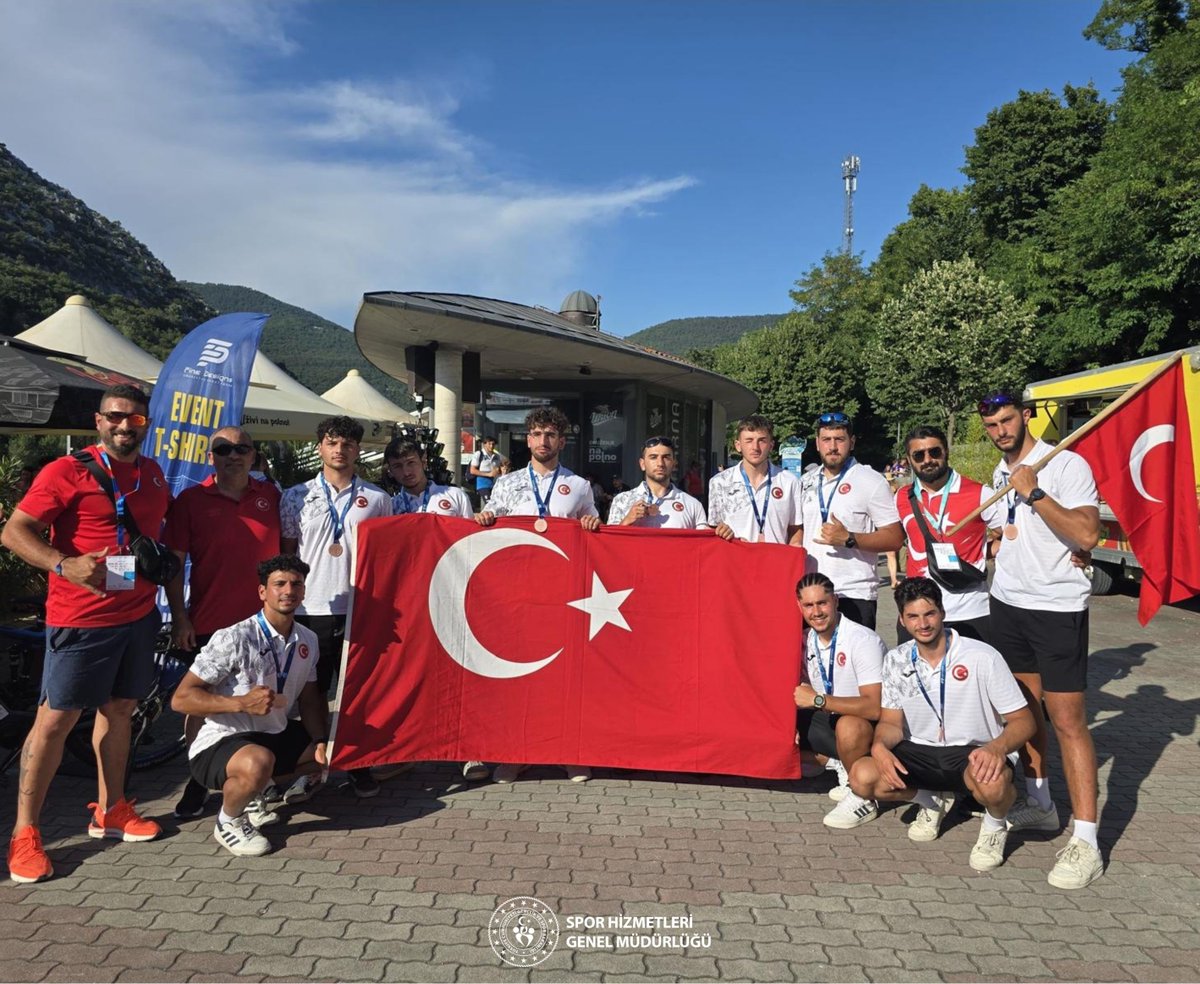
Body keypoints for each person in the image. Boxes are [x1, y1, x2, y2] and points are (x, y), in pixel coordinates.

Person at [2, 384, 170, 883]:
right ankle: (25, 832)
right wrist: (62, 564)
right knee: (54, 721)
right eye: (116, 417)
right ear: (98, 421)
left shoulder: (153, 473)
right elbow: (14, 530)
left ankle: (111, 809)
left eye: (136, 419)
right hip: (81, 619)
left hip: (138, 615)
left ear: (146, 425)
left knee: (119, 710)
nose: (125, 426)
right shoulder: (66, 471)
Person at [979, 391, 1104, 889]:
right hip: (1008, 604)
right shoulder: (997, 473)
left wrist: (1034, 492)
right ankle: (1043, 803)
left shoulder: (1065, 463)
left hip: (1057, 608)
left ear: (1026, 416)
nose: (1000, 431)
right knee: (1025, 714)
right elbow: (1006, 532)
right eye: (991, 425)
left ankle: (1088, 840)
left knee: (1069, 720)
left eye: (1007, 420)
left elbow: (1088, 534)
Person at [850, 578, 1036, 873]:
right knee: (862, 777)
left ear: (943, 612)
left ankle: (994, 826)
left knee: (994, 783)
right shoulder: (897, 659)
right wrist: (880, 746)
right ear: (901, 619)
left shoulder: (981, 656)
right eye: (913, 616)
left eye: (929, 613)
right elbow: (891, 723)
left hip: (972, 752)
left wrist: (996, 748)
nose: (923, 624)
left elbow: (1024, 722)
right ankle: (932, 802)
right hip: (920, 750)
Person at [171, 555, 328, 857]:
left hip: (273, 734)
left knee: (334, 755)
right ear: (262, 592)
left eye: (296, 584)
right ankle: (229, 821)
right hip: (221, 741)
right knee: (257, 762)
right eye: (279, 584)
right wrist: (241, 703)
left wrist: (320, 741)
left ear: (304, 592)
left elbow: (309, 701)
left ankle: (254, 792)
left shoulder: (308, 639)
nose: (288, 591)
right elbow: (181, 699)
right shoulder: (234, 637)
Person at [164, 426, 283, 820]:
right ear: (210, 455)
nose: (233, 455)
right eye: (224, 449)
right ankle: (198, 780)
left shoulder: (272, 497)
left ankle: (259, 781)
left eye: (241, 449)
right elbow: (174, 564)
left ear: (253, 456)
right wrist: (179, 616)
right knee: (200, 707)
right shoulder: (190, 501)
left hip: (265, 624)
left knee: (262, 700)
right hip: (210, 622)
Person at [476, 406, 599, 783]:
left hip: (563, 594)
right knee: (519, 680)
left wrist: (592, 524)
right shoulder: (507, 483)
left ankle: (569, 753)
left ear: (562, 441)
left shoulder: (579, 485)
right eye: (536, 434)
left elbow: (595, 530)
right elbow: (490, 523)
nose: (543, 441)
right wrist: (483, 520)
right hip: (515, 594)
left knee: (564, 677)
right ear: (527, 439)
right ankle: (516, 754)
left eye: (550, 435)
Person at [280, 416, 392, 798]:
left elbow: (387, 558)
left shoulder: (378, 499)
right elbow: (287, 555)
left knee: (358, 693)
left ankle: (357, 763)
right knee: (309, 693)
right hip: (310, 608)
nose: (339, 449)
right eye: (331, 442)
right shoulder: (295, 496)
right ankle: (311, 764)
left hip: (360, 609)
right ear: (320, 447)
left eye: (346, 443)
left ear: (357, 450)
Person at [894, 425, 1004, 645]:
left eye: (934, 452)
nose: (927, 459)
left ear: (946, 452)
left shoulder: (979, 493)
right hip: (918, 613)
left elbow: (1012, 535)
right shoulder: (902, 497)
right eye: (919, 455)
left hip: (970, 610)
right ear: (909, 459)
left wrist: (982, 552)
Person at [792, 573, 885, 829]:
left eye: (822, 603)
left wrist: (819, 700)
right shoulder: (802, 640)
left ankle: (862, 794)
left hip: (868, 726)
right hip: (828, 718)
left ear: (836, 601)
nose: (817, 612)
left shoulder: (862, 640)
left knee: (849, 725)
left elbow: (874, 707)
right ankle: (833, 761)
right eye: (809, 605)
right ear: (800, 607)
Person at [797, 412, 903, 630]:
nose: (833, 446)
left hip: (854, 592)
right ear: (817, 443)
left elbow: (895, 538)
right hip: (812, 592)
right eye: (826, 440)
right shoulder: (805, 481)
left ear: (851, 442)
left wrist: (849, 539)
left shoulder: (871, 481)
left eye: (840, 439)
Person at [707, 414, 803, 545]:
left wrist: (793, 553)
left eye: (762, 440)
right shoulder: (720, 482)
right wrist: (722, 531)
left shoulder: (790, 482)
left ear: (771, 445)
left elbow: (796, 528)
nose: (755, 448)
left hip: (775, 562)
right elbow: (713, 529)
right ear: (738, 445)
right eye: (749, 440)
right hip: (735, 562)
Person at [608, 436, 707, 529]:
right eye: (653, 457)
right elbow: (609, 543)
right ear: (642, 464)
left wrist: (721, 532)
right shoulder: (621, 501)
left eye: (666, 457)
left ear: (674, 464)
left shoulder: (693, 505)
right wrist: (626, 521)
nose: (660, 463)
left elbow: (705, 544)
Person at [386, 438, 475, 519]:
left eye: (411, 463)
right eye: (397, 466)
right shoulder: (389, 507)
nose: (406, 472)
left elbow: (470, 534)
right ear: (390, 471)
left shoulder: (455, 495)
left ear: (424, 462)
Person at [468, 436, 505, 505]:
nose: (491, 446)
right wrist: (489, 474)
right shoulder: (479, 454)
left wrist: (502, 470)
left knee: (497, 504)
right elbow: (472, 470)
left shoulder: (497, 456)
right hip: (483, 483)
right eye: (489, 444)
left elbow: (502, 466)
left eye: (493, 444)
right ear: (484, 444)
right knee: (489, 504)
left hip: (495, 483)